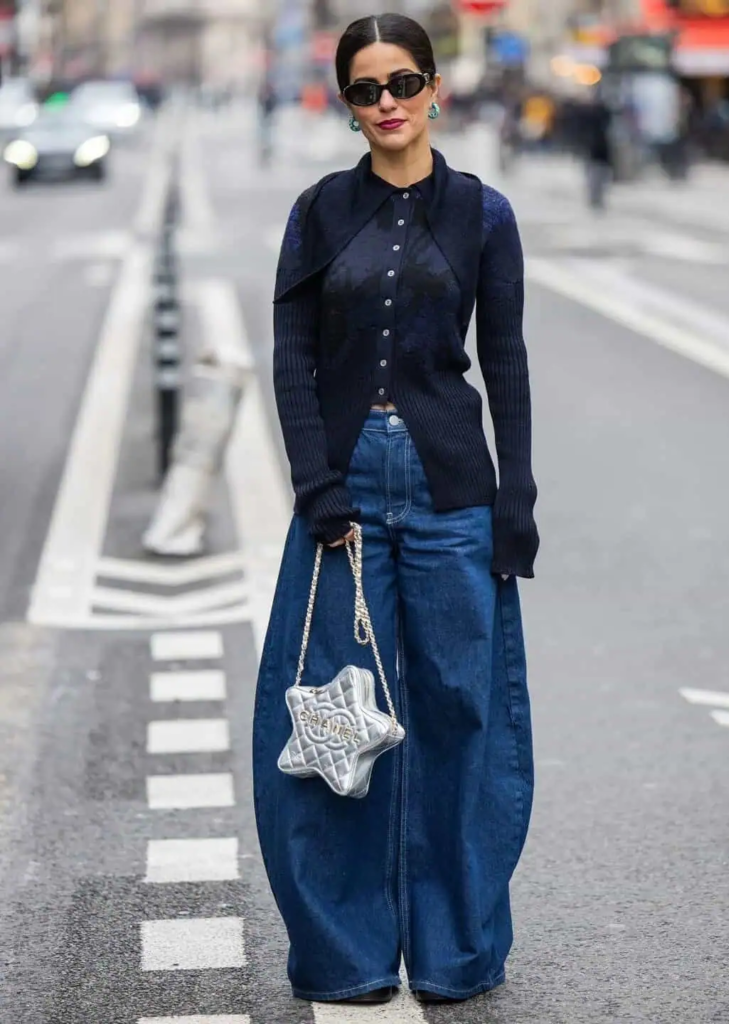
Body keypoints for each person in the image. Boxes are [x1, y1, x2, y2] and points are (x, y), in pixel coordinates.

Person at [253, 12, 537, 1006]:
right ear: (346, 103)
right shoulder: (318, 213)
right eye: (366, 89)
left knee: (464, 718)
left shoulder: (485, 215)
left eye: (403, 82)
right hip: (348, 501)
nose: (387, 103)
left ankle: (458, 950)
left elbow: (503, 360)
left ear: (434, 90)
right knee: (337, 729)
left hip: (454, 488)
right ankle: (348, 951)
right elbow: (292, 360)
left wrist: (517, 498)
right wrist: (315, 483)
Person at [582, 90, 613, 211]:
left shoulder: (589, 114)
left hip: (595, 150)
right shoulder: (603, 115)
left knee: (595, 174)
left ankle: (595, 197)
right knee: (599, 174)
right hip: (600, 150)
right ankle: (597, 198)